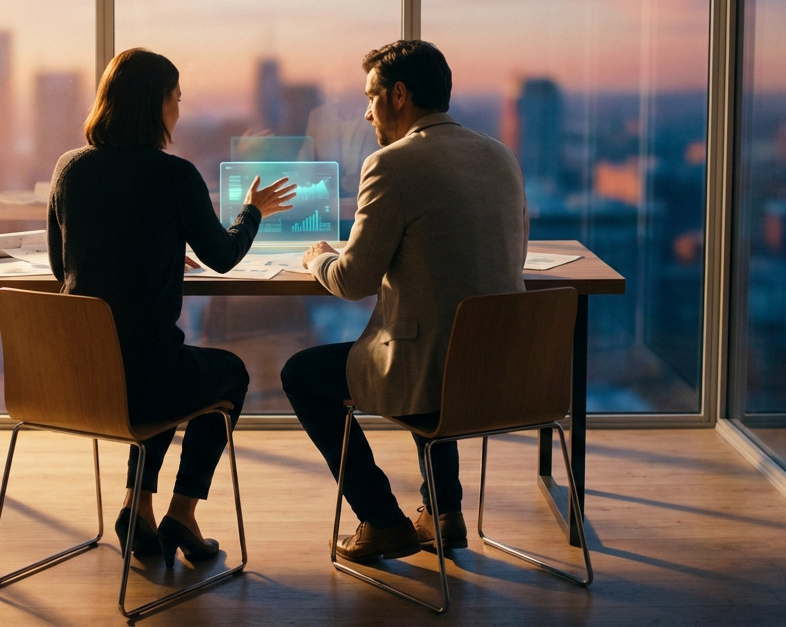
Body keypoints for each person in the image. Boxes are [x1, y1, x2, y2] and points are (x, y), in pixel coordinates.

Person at [280, 39, 528, 561]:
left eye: (371, 97)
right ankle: (443, 513)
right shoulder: (500, 155)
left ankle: (381, 520)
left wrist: (317, 257)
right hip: (503, 369)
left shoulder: (392, 164)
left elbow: (352, 280)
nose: (366, 112)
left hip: (434, 371)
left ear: (398, 95)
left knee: (304, 374)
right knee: (427, 336)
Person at [47, 48, 295, 568]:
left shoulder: (69, 169)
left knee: (161, 366)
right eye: (175, 100)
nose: (179, 112)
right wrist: (253, 211)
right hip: (145, 380)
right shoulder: (175, 175)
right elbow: (223, 258)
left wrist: (151, 248)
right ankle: (181, 513)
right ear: (155, 105)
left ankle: (136, 506)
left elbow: (61, 266)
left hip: (81, 379)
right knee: (225, 377)